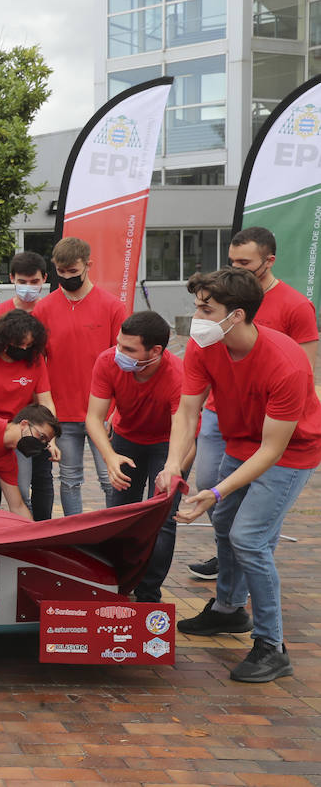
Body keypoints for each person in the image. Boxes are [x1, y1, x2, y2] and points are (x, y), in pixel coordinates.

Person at [155, 267, 321, 683]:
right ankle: (228, 610)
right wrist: (174, 463)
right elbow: (188, 411)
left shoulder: (286, 363)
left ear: (238, 315)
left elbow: (272, 450)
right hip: (241, 442)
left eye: (206, 308)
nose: (197, 316)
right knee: (226, 523)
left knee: (249, 538)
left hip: (290, 453)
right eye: (197, 306)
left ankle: (271, 646)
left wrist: (214, 490)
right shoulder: (202, 345)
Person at [187, 226, 319, 581]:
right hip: (223, 414)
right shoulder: (218, 298)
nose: (238, 267)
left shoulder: (294, 305)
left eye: (245, 262)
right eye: (232, 261)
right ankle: (233, 557)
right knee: (211, 487)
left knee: (250, 525)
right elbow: (187, 403)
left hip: (274, 420)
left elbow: (304, 372)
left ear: (268, 261)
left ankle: (248, 562)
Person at [85, 310, 182, 603]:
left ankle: (149, 592)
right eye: (118, 344)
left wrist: (173, 469)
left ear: (156, 351)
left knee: (162, 519)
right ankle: (117, 583)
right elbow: (93, 418)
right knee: (119, 515)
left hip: (168, 445)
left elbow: (185, 432)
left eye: (129, 349)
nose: (119, 353)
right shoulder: (106, 362)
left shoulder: (178, 374)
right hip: (126, 439)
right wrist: (110, 457)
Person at [33, 236, 125, 515]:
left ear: (88, 265)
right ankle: (76, 536)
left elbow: (122, 362)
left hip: (102, 411)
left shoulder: (112, 307)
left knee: (112, 478)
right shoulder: (44, 308)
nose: (67, 277)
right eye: (61, 272)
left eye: (73, 272)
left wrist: (115, 411)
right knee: (69, 481)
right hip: (62, 412)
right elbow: (38, 362)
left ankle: (113, 535)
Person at [0, 310, 60, 515]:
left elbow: (46, 401)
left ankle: (24, 537)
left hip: (20, 432)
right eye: (19, 345)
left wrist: (51, 438)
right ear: (4, 340)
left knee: (21, 493)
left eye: (29, 345)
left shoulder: (35, 360)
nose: (24, 349)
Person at [0, 251, 47, 341]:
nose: (28, 287)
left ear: (44, 278)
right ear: (12, 278)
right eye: (22, 282)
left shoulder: (52, 313)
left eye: (34, 282)